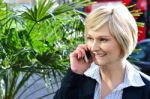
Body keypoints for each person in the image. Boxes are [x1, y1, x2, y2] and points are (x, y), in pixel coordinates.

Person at [53, 2, 150, 99]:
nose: (93, 47)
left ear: (124, 41)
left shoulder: (146, 89)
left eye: (103, 39)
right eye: (90, 38)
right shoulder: (78, 79)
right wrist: (75, 73)